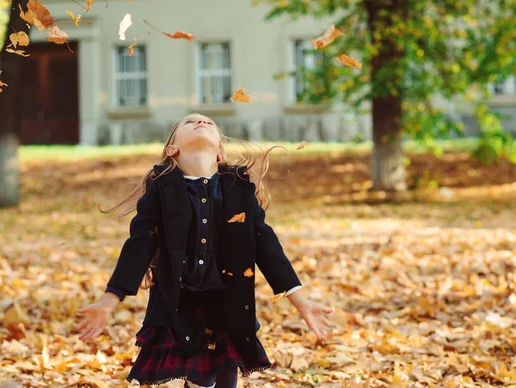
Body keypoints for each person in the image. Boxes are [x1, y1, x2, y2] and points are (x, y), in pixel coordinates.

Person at [75, 113, 334, 388]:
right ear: (172, 149)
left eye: (210, 123)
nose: (203, 123)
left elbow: (267, 246)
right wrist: (108, 301)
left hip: (228, 304)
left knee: (222, 379)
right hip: (179, 306)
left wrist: (302, 302)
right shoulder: (162, 189)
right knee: (200, 381)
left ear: (220, 152)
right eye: (190, 122)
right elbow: (139, 244)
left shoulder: (238, 188)